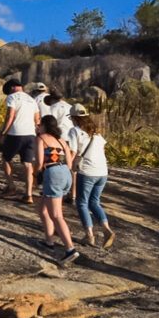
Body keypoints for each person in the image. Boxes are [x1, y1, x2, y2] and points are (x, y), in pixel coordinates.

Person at [36, 114, 80, 264]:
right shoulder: (62, 141)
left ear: (44, 126)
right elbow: (69, 162)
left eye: (39, 125)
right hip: (66, 175)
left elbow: (40, 162)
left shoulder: (41, 139)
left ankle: (70, 249)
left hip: (53, 174)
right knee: (43, 208)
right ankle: (49, 241)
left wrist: (37, 175)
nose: (38, 127)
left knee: (56, 215)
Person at [69, 108, 116, 249]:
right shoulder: (96, 132)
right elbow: (103, 151)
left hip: (87, 172)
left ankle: (89, 235)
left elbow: (72, 151)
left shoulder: (74, 131)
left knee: (82, 203)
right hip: (102, 171)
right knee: (94, 202)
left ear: (75, 118)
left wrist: (70, 167)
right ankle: (107, 230)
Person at [0, 78, 40, 203]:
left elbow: (11, 115)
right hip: (30, 134)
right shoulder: (32, 100)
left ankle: (11, 187)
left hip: (15, 133)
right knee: (27, 164)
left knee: (6, 159)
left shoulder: (13, 97)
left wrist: (4, 131)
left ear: (11, 88)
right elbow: (37, 119)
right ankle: (28, 195)